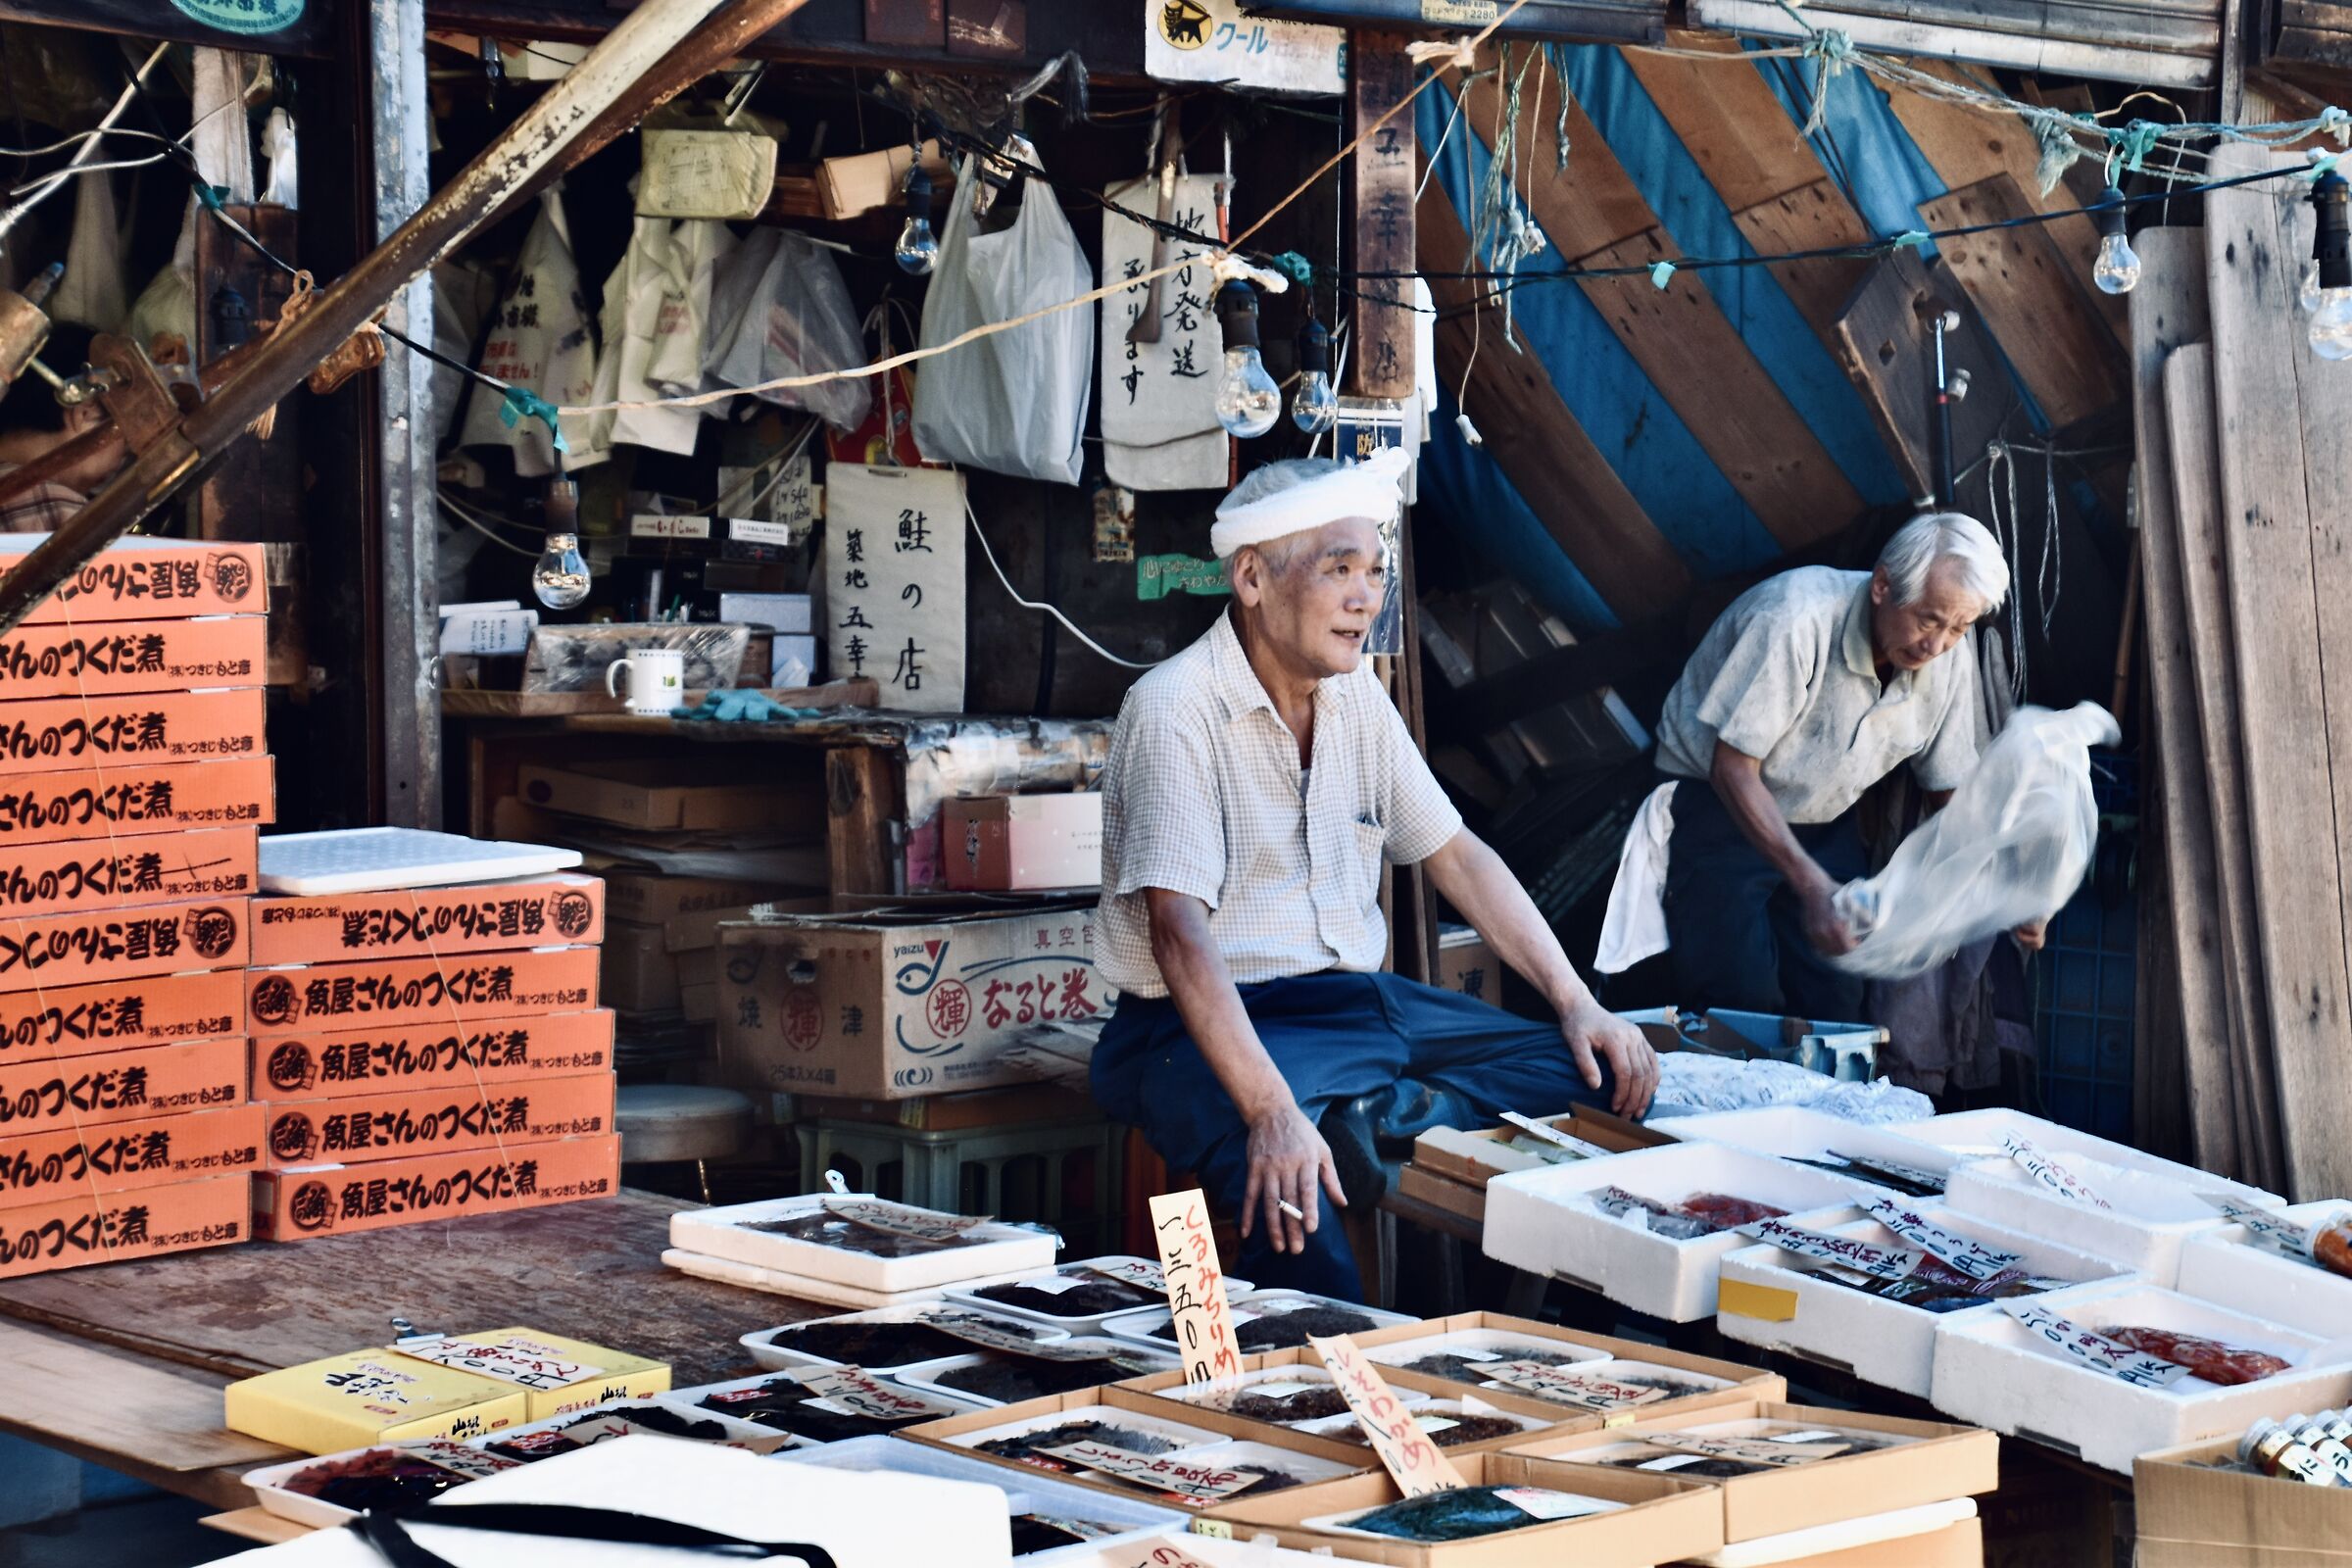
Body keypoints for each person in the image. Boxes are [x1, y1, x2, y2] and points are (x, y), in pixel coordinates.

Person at [1089, 449, 1657, 1301]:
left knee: (1603, 1084)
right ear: (1251, 578)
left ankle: (1371, 1113)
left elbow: (1457, 853)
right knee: (1287, 1191)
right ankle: (1307, 1393)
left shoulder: (1357, 698)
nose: (1366, 598)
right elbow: (1179, 933)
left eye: (1376, 574)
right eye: (1340, 570)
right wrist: (1274, 1109)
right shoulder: (1175, 707)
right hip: (1202, 1026)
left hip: (1358, 1006)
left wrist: (1576, 999)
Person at [1637, 511, 2039, 1023]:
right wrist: (1813, 888)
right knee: (1737, 1005)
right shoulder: (1794, 619)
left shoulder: (1945, 657)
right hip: (1716, 805)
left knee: (1836, 1004)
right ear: (1882, 586)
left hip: (1822, 818)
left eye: (1959, 627)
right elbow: (1732, 769)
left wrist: (2010, 884)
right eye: (1929, 620)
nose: (1937, 644)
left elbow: (1950, 790)